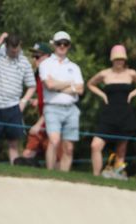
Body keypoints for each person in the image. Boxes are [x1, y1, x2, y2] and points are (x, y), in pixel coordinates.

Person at [88, 44, 136, 178]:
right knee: (95, 145)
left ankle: (117, 175)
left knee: (121, 149)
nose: (119, 61)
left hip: (125, 113)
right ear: (112, 59)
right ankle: (96, 176)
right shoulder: (105, 73)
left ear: (125, 59)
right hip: (108, 113)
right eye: (116, 59)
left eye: (121, 59)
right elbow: (90, 84)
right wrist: (102, 95)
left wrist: (132, 94)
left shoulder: (131, 73)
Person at [0, 32, 35, 164]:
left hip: (13, 107)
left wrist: (23, 102)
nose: (14, 52)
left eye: (17, 49)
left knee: (13, 143)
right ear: (6, 46)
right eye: (12, 49)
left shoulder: (24, 62)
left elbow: (31, 86)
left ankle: (14, 170)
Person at [39, 31, 84, 171]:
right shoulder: (45, 63)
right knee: (54, 141)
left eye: (65, 44)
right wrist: (70, 84)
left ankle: (63, 177)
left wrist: (59, 86)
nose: (62, 46)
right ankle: (50, 174)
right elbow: (49, 85)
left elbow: (81, 89)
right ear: (54, 45)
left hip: (71, 109)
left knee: (69, 148)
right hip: (52, 108)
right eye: (59, 43)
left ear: (69, 46)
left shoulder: (74, 67)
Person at [19, 42, 53, 162]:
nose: (34, 59)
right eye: (33, 56)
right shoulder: (38, 75)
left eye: (37, 56)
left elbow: (54, 104)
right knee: (27, 153)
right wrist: (38, 100)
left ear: (48, 57)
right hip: (43, 122)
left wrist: (38, 124)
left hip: (53, 124)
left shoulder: (52, 75)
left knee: (56, 161)